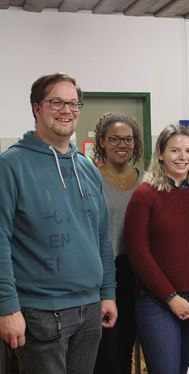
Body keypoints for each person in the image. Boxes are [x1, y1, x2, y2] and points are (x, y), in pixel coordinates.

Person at [0, 73, 117, 374]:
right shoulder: (11, 165)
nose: (67, 110)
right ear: (36, 108)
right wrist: (8, 307)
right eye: (56, 102)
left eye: (73, 103)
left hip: (89, 310)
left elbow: (101, 237)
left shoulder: (87, 168)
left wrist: (107, 293)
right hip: (39, 313)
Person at [124, 125, 189, 373]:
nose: (183, 157)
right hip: (158, 303)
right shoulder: (145, 196)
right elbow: (138, 252)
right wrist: (171, 297)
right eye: (175, 150)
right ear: (160, 154)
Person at [92, 112, 144, 374]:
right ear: (102, 141)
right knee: (108, 350)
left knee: (129, 345)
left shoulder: (146, 180)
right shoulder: (91, 178)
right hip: (105, 272)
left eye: (128, 139)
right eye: (114, 139)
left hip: (140, 272)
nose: (122, 145)